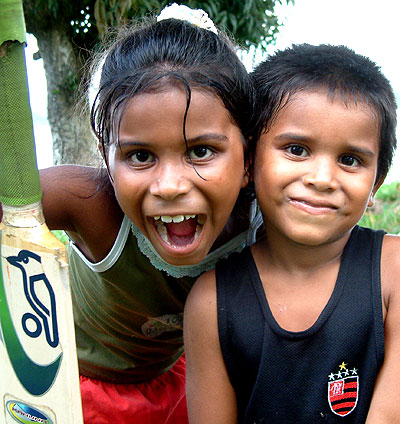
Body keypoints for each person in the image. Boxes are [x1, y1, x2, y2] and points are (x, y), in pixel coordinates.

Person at [0, 4, 262, 423]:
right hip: (70, 389)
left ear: (248, 157)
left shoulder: (260, 224)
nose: (171, 185)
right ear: (107, 157)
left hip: (182, 384)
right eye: (140, 155)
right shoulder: (89, 203)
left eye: (201, 151)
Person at [184, 43, 400, 423]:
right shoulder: (210, 302)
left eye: (350, 160)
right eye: (297, 149)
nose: (321, 179)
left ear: (375, 184)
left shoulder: (394, 273)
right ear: (249, 162)